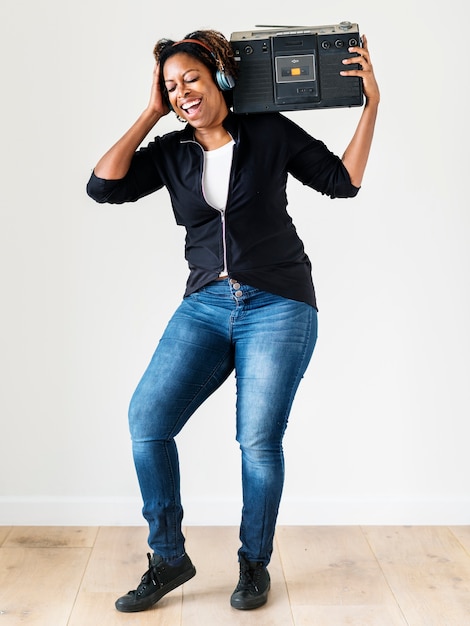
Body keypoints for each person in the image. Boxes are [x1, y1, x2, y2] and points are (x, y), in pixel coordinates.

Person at [86, 28, 379, 612]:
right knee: (148, 418)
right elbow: (103, 187)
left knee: (256, 442)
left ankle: (254, 563)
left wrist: (373, 105)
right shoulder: (171, 152)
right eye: (170, 86)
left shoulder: (268, 131)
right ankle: (168, 557)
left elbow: (341, 184)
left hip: (279, 303)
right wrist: (149, 114)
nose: (181, 93)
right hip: (206, 305)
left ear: (221, 75)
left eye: (190, 78)